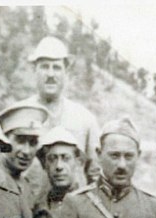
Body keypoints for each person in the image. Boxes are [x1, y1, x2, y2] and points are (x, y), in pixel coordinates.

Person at [21, 36, 101, 183]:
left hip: (74, 204)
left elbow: (95, 176)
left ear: (66, 72)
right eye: (45, 66)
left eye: (56, 67)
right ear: (34, 69)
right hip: (28, 204)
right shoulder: (19, 116)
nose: (50, 74)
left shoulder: (85, 119)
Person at [0, 100, 49, 203]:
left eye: (33, 142)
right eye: (20, 141)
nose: (27, 151)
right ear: (3, 141)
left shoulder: (26, 185)